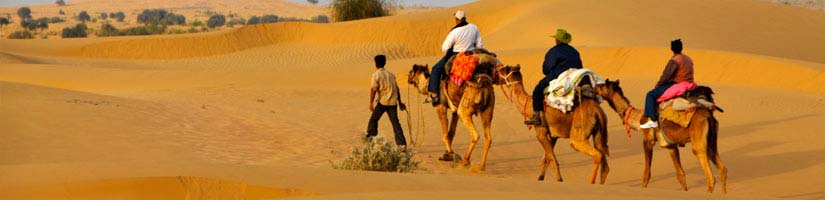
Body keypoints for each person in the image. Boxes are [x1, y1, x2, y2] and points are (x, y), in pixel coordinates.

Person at [524, 29, 583, 125]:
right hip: (575, 77)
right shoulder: (574, 51)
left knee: (537, 90)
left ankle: (537, 116)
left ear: (558, 40)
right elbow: (580, 66)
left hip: (558, 76)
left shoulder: (554, 51)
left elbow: (546, 69)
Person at [424, 10, 483, 103]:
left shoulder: (455, 31)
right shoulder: (474, 27)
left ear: (457, 19)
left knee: (435, 69)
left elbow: (445, 48)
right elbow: (479, 45)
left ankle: (434, 95)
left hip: (456, 55)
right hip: (472, 54)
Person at [640, 39, 694, 129]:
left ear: (672, 49)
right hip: (690, 84)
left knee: (650, 95)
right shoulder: (688, 58)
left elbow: (667, 75)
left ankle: (653, 120)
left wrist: (658, 85)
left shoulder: (675, 60)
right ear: (681, 47)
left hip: (678, 84)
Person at [366, 55, 408, 146]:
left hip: (382, 102)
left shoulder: (376, 75)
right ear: (385, 63)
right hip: (393, 103)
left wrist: (371, 103)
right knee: (396, 123)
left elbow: (373, 89)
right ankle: (402, 145)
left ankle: (370, 141)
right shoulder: (391, 75)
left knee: (373, 120)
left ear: (375, 64)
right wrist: (400, 102)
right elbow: (397, 89)